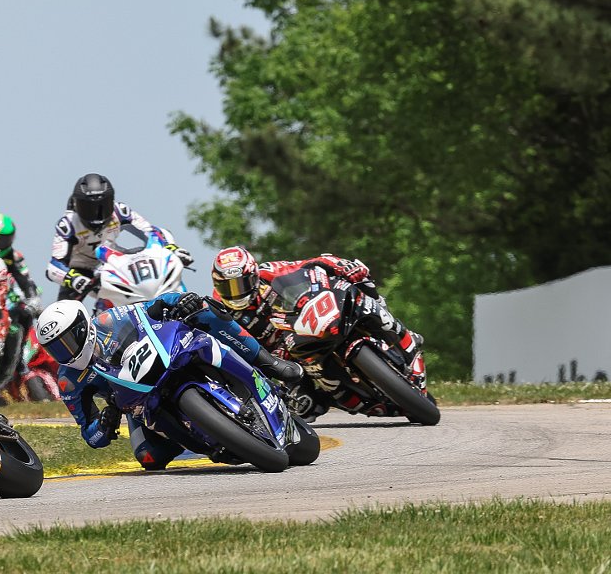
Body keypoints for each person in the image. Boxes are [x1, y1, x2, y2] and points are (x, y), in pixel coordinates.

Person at [35, 291, 303, 470]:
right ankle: (208, 439)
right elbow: (90, 435)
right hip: (135, 401)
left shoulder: (110, 319)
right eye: (56, 348)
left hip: (164, 357)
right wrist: (104, 424)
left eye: (67, 341)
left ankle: (267, 361)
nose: (65, 352)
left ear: (84, 326)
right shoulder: (68, 380)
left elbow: (154, 306)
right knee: (149, 458)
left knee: (205, 307)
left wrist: (178, 302)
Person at [209, 246, 424, 420]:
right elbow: (231, 347)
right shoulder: (218, 309)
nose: (236, 293)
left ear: (253, 275)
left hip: (307, 324)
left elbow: (310, 264)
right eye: (228, 287)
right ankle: (364, 404)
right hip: (281, 356)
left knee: (362, 289)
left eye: (240, 284)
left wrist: (342, 265)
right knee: (305, 407)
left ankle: (406, 339)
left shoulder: (269, 272)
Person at [46, 173, 195, 302]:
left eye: (102, 206)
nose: (96, 214)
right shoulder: (68, 225)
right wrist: (74, 279)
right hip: (81, 270)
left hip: (113, 262)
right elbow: (53, 267)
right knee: (64, 311)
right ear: (77, 205)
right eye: (89, 208)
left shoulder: (121, 211)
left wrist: (171, 248)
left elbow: (151, 231)